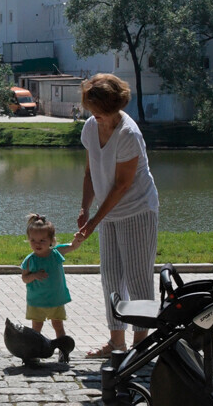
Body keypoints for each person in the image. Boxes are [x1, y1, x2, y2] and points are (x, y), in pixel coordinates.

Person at [72, 73, 159, 358]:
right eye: (91, 109)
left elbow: (122, 186)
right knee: (110, 276)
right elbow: (89, 173)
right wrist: (85, 208)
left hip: (136, 210)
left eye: (98, 111)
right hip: (107, 213)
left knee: (138, 279)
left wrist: (95, 222)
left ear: (113, 107)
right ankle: (117, 343)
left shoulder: (128, 134)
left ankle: (141, 346)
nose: (93, 115)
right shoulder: (90, 128)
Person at [20, 213, 83, 337]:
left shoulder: (56, 253)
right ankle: (35, 351)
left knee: (58, 326)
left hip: (56, 300)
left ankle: (62, 350)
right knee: (36, 329)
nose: (37, 244)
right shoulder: (29, 260)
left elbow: (73, 246)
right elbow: (25, 278)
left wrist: (78, 239)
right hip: (37, 301)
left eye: (42, 240)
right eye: (33, 240)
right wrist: (34, 276)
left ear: (51, 241)